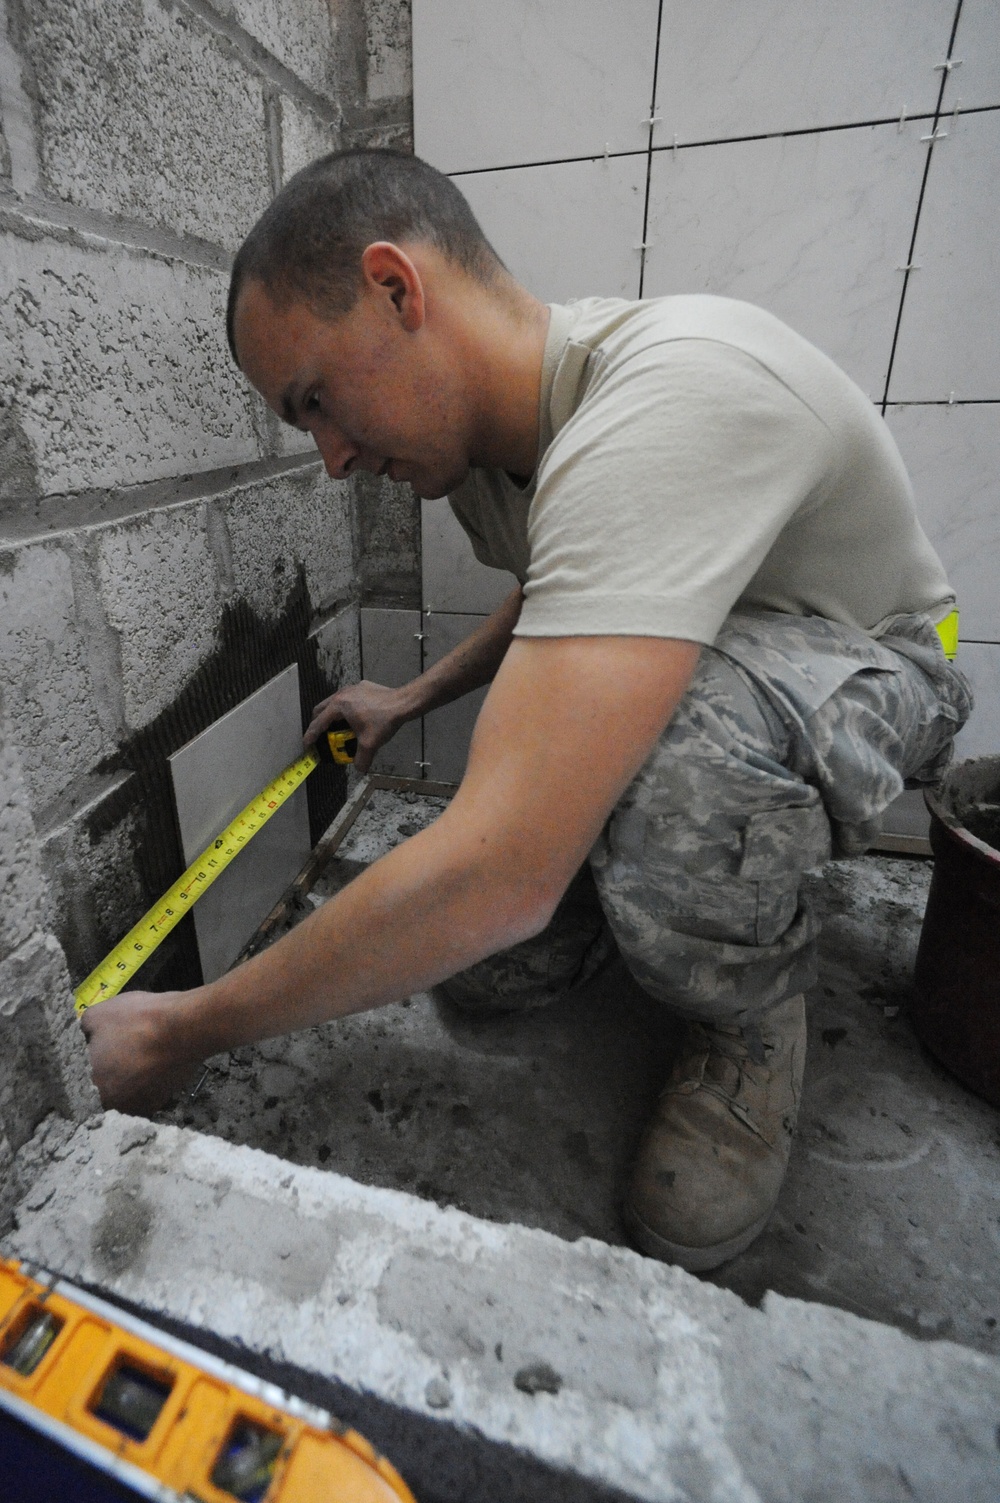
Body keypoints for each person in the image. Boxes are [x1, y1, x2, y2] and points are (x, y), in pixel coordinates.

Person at [83, 149, 971, 1272]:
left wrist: (179, 1027)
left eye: (315, 400)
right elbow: (570, 593)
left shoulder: (670, 394)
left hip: (885, 664)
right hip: (738, 658)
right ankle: (637, 895)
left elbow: (499, 871)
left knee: (646, 779)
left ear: (398, 289)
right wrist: (413, 696)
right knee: (484, 964)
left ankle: (749, 1022)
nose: (333, 460)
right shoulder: (496, 451)